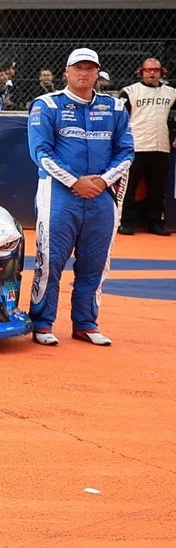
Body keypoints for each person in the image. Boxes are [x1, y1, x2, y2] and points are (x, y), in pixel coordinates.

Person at [28, 48, 135, 346]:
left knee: (96, 263)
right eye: (78, 68)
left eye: (90, 68)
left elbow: (127, 151)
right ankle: (42, 323)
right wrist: (75, 181)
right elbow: (40, 151)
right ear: (67, 72)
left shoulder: (115, 108)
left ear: (97, 73)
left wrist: (102, 181)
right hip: (58, 195)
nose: (84, 73)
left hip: (101, 195)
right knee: (50, 260)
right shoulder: (46, 105)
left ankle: (86, 323)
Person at [118, 57, 172, 235]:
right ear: (141, 72)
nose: (152, 73)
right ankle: (124, 222)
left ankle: (156, 223)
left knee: (158, 189)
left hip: (161, 146)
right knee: (128, 188)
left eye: (155, 70)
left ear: (162, 72)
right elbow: (120, 119)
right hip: (135, 146)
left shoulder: (171, 93)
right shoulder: (130, 91)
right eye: (148, 70)